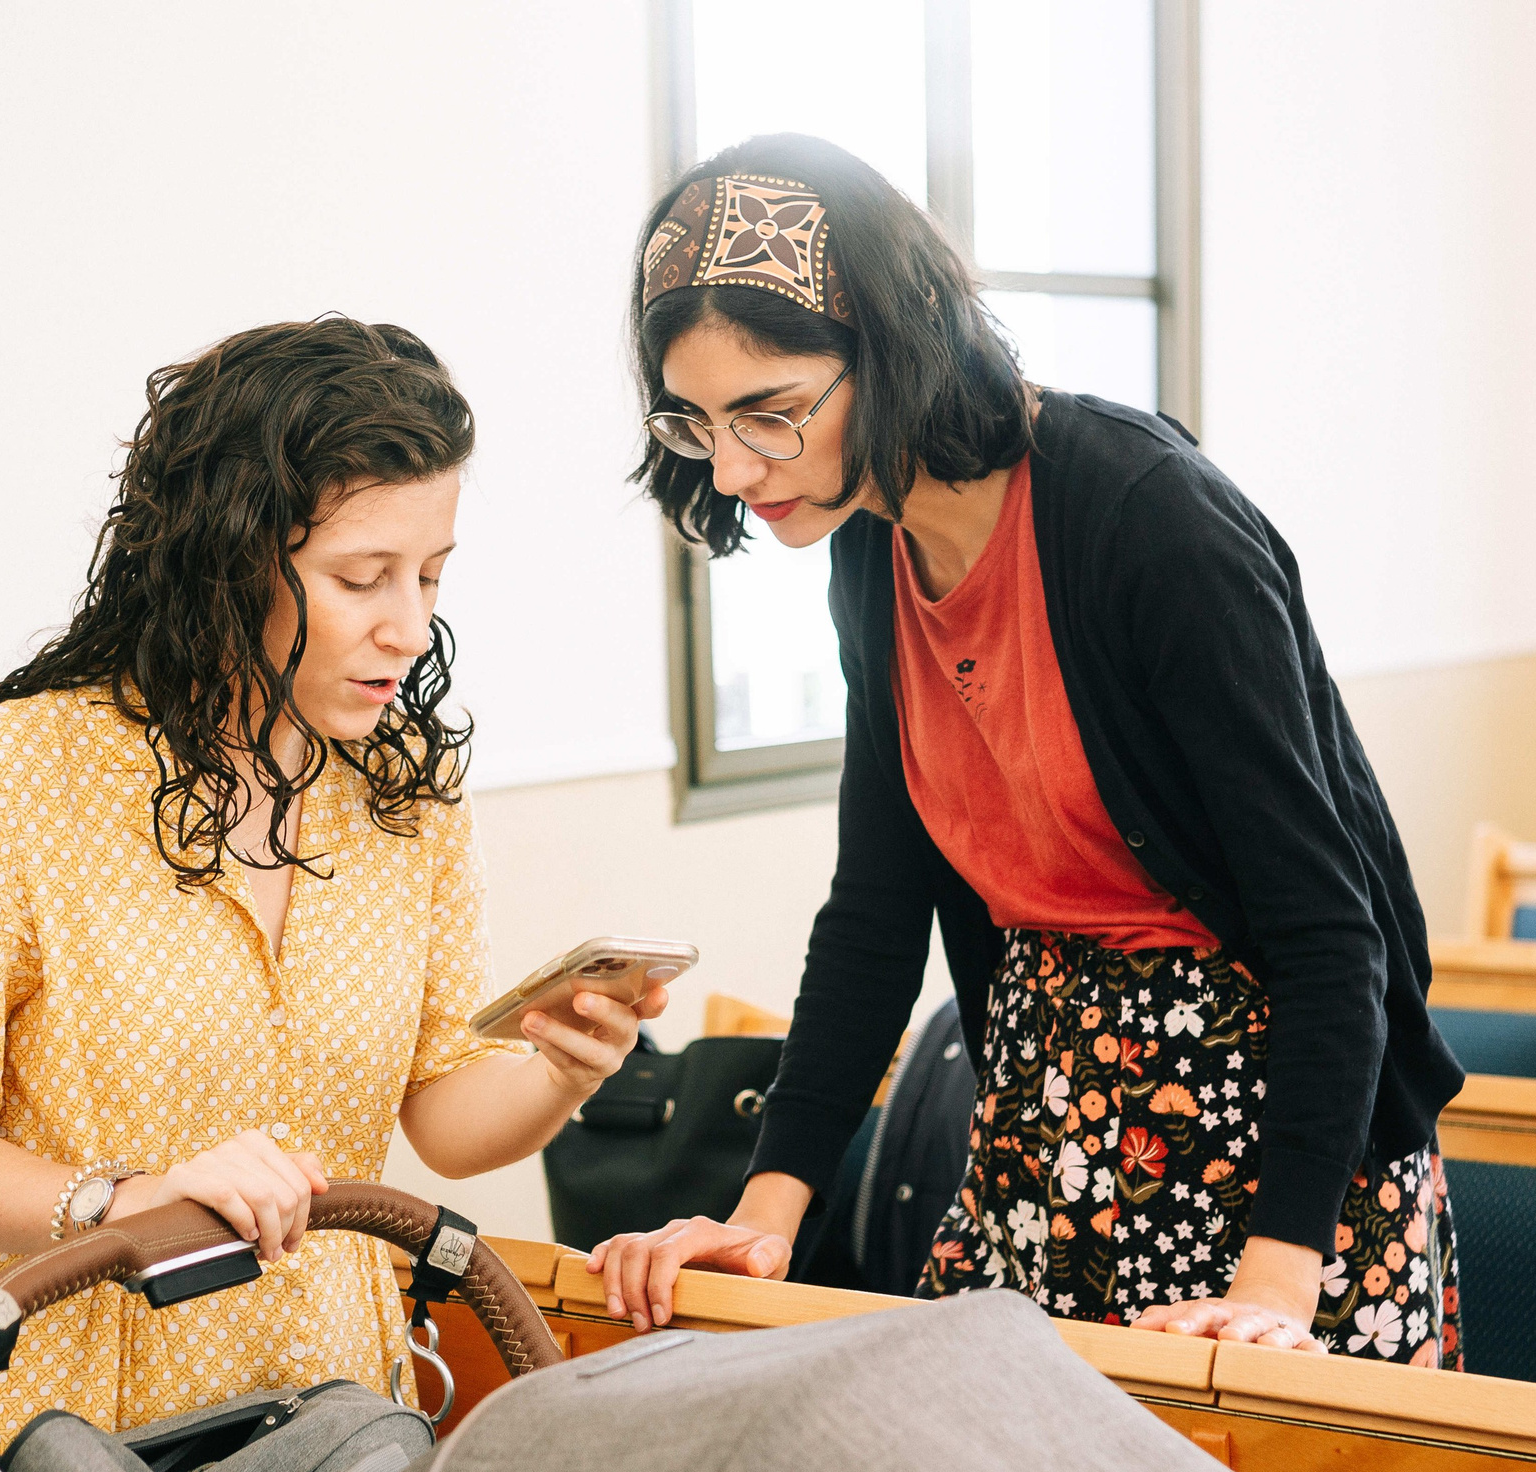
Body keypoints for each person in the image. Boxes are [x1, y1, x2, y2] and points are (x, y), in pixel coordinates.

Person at [590, 138, 1466, 1366]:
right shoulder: (868, 548)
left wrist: (1277, 1281)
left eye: (770, 415)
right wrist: (764, 1215)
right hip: (1042, 1122)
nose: (734, 469)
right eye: (698, 423)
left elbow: (1330, 929)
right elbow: (874, 914)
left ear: (894, 351)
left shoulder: (1149, 518)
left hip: (1277, 1161)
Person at [0, 317, 664, 1438]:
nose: (409, 626)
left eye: (430, 575)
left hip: (342, 1417)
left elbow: (443, 1114)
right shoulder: (1, 784)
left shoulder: (404, 795)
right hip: (85, 1443)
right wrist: (129, 1203)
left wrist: (561, 1070)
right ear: (227, 559)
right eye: (361, 578)